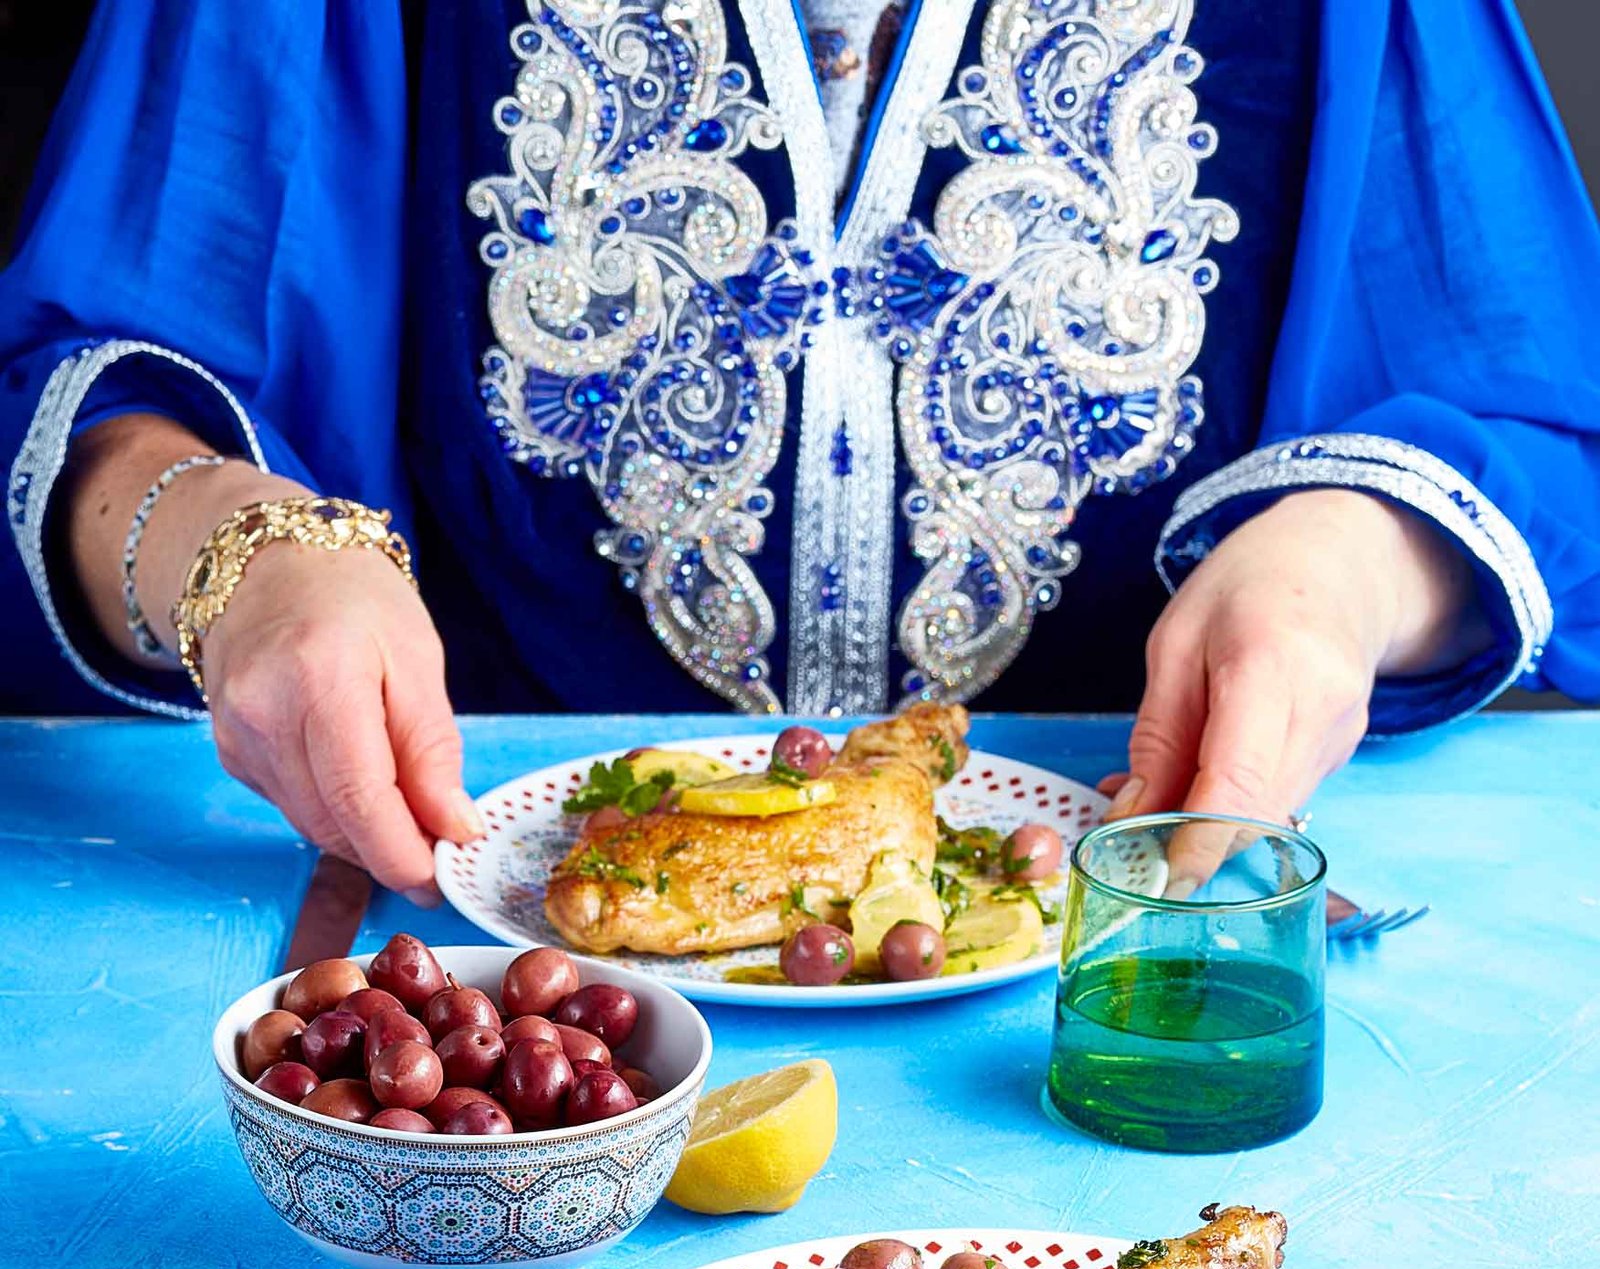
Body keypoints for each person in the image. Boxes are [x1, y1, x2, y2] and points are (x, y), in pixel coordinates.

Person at [1, 0, 1596, 903]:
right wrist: (236, 548)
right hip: (494, 983)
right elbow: (87, 391)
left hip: (1135, 970)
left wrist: (1343, 564)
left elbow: (1542, 412)